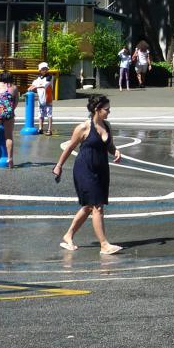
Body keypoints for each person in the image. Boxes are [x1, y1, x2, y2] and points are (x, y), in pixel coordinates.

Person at [52, 94, 123, 255]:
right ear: (97, 110)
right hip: (85, 169)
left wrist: (116, 151)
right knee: (97, 206)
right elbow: (70, 147)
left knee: (89, 206)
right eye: (107, 109)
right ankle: (104, 245)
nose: (109, 112)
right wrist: (59, 166)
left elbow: (109, 146)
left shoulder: (107, 125)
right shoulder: (83, 127)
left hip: (102, 170)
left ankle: (68, 235)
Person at [0, 70, 18, 167]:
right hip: (9, 113)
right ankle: (10, 158)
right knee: (9, 136)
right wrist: (11, 111)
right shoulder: (14, 87)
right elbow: (16, 102)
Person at [29, 62, 55, 135]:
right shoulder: (38, 78)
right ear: (40, 70)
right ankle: (40, 128)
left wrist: (35, 86)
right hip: (40, 99)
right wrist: (30, 88)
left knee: (49, 114)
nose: (45, 70)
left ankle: (49, 129)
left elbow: (45, 85)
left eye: (46, 69)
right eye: (43, 69)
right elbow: (34, 84)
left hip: (48, 98)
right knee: (40, 114)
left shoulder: (50, 77)